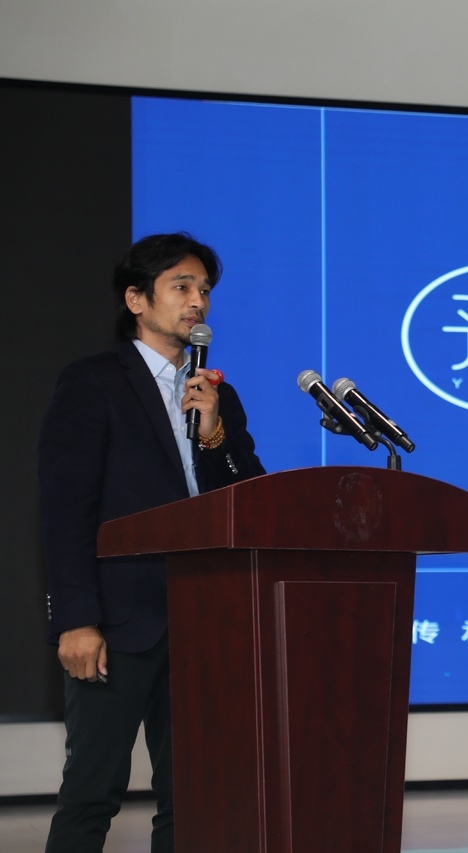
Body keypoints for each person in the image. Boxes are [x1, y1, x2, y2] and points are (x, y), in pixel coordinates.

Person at [39, 233, 266, 852]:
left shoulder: (218, 394)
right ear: (136, 300)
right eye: (181, 287)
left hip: (203, 619)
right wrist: (77, 619)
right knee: (91, 794)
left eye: (205, 290)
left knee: (194, 796)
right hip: (118, 621)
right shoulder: (93, 382)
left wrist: (214, 434)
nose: (198, 302)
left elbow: (250, 502)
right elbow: (65, 511)